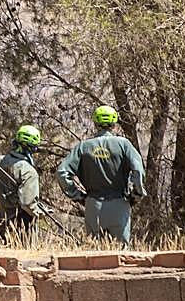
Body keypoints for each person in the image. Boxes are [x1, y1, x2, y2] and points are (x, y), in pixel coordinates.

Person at [57, 105, 146, 246]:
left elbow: (62, 172)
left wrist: (78, 196)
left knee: (94, 253)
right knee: (120, 254)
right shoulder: (124, 144)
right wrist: (136, 194)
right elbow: (138, 171)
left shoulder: (83, 147)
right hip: (119, 204)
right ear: (114, 122)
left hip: (93, 205)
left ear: (95, 122)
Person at [0, 125, 42, 239]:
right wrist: (41, 213)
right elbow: (28, 204)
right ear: (33, 148)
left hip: (2, 222)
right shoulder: (29, 172)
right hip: (23, 228)